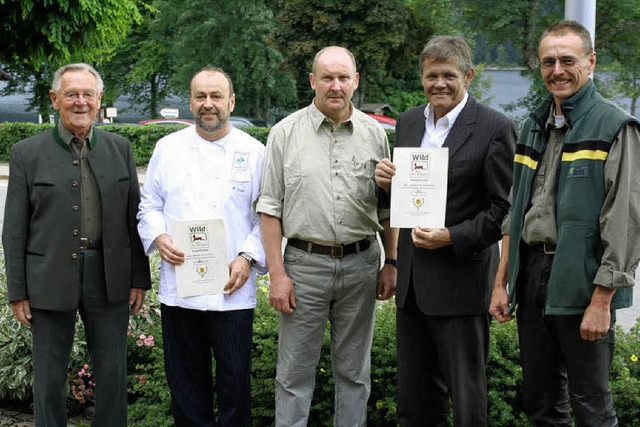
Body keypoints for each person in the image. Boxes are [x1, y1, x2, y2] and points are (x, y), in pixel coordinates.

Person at [489, 20, 640, 426]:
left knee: (591, 403)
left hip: (583, 277)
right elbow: (513, 212)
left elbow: (625, 221)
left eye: (568, 60)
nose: (557, 70)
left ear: (590, 63)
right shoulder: (532, 126)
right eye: (548, 62)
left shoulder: (614, 126)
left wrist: (602, 301)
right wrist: (502, 281)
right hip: (532, 273)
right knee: (540, 401)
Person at [375, 36, 516, 426]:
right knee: (415, 402)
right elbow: (401, 199)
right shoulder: (406, 123)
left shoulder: (495, 127)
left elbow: (502, 210)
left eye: (449, 75)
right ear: (421, 77)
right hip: (413, 288)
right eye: (431, 75)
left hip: (461, 285)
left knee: (467, 403)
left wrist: (452, 235)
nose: (439, 83)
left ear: (468, 76)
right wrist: (385, 181)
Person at [2, 63, 151, 426]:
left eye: (88, 95)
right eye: (71, 95)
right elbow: (15, 230)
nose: (80, 102)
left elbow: (136, 220)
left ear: (99, 100)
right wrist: (18, 292)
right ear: (55, 100)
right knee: (49, 376)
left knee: (113, 372)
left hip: (109, 275)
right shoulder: (26, 153)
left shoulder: (121, 149)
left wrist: (138, 279)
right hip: (49, 276)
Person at [256, 46, 397, 426]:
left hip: (363, 264)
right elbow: (269, 209)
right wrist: (278, 274)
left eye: (343, 78)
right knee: (294, 375)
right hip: (304, 267)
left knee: (354, 373)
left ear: (355, 81)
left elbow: (387, 209)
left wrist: (392, 262)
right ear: (313, 81)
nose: (335, 86)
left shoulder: (376, 135)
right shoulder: (284, 134)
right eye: (327, 78)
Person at [137, 66, 266, 427]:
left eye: (216, 97)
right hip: (181, 289)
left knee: (234, 383)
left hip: (232, 288)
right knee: (186, 384)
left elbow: (268, 217)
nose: (208, 105)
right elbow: (150, 206)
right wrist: (160, 237)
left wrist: (248, 257)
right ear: (190, 102)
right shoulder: (167, 148)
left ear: (231, 101)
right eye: (200, 97)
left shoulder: (255, 152)